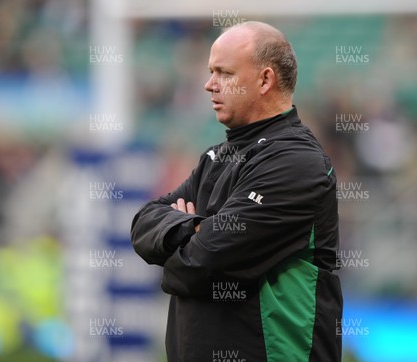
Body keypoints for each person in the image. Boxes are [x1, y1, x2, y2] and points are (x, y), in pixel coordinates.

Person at [131, 21, 342, 361]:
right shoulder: (216, 158)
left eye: (224, 73)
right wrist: (195, 229)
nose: (209, 85)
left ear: (264, 80)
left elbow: (200, 263)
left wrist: (183, 241)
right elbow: (143, 223)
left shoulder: (297, 162)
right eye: (210, 72)